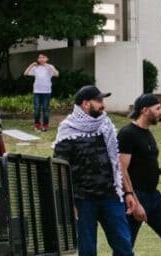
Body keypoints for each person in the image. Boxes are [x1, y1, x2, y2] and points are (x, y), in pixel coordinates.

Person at [54, 85, 135, 256]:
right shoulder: (67, 129)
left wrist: (128, 192)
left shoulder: (106, 125)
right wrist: (67, 202)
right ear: (85, 104)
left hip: (111, 196)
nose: (103, 104)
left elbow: (116, 162)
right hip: (83, 201)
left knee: (124, 247)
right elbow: (59, 169)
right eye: (98, 101)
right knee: (88, 250)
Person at [114, 94, 161, 256]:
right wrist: (134, 201)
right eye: (157, 108)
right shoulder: (127, 133)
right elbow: (121, 169)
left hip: (154, 197)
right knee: (125, 247)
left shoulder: (147, 133)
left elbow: (142, 165)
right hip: (135, 197)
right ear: (144, 110)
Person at [24, 54, 58, 131]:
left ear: (46, 59)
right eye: (40, 57)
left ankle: (45, 125)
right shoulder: (36, 68)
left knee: (46, 109)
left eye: (43, 57)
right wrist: (32, 64)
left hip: (46, 91)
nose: (41, 59)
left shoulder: (49, 67)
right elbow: (25, 73)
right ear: (38, 59)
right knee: (37, 109)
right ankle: (37, 125)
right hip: (37, 91)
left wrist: (49, 66)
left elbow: (56, 74)